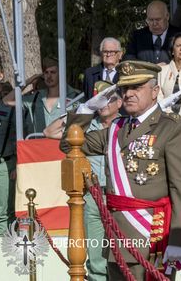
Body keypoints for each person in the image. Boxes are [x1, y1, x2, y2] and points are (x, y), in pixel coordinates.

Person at [60, 60, 181, 280]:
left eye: (137, 87)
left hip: (151, 239)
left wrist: (180, 240)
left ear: (155, 91)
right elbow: (69, 144)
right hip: (116, 240)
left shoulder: (171, 127)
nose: (129, 94)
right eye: (124, 88)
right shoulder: (117, 128)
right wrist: (86, 110)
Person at [44, 81, 122, 280]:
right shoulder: (84, 125)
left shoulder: (126, 124)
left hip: (119, 197)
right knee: (95, 259)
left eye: (108, 99)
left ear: (120, 102)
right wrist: (84, 110)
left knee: (122, 258)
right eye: (99, 99)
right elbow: (50, 132)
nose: (104, 104)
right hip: (93, 196)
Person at [3, 57, 81, 136]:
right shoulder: (35, 97)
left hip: (63, 147)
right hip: (38, 147)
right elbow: (6, 101)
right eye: (46, 72)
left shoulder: (75, 97)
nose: (49, 76)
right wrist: (27, 82)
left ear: (61, 74)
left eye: (53, 72)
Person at [0, 69, 15, 245]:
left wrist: (17, 165)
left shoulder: (9, 110)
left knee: (1, 214)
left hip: (2, 166)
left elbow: (19, 139)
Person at [125, 0, 180, 64]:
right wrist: (149, 67)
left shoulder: (180, 35)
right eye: (151, 20)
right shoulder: (137, 36)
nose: (154, 23)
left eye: (158, 19)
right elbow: (128, 59)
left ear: (167, 16)